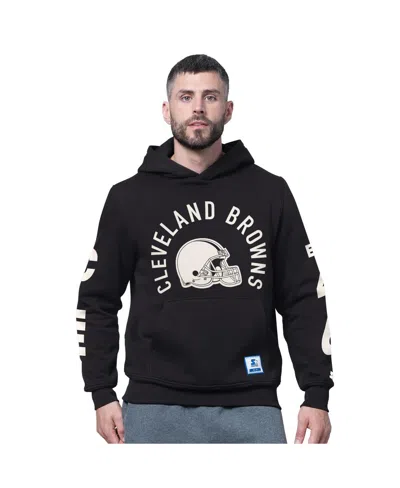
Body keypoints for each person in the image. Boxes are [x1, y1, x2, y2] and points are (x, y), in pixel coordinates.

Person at [75, 54, 334, 444]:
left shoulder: (270, 192)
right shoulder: (129, 198)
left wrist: (316, 392)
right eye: (186, 97)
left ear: (228, 110)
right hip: (152, 406)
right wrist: (100, 391)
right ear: (167, 110)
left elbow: (303, 296)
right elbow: (97, 299)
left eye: (210, 97)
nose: (198, 107)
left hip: (253, 402)